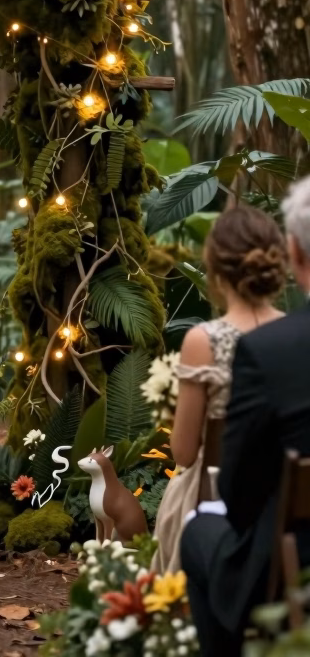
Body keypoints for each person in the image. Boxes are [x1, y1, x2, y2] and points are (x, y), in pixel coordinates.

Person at [182, 176, 310, 656]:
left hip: (295, 560)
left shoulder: (271, 351)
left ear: (295, 253)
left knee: (199, 532)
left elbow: (237, 495)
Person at [152, 206, 288, 573]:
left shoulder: (204, 341)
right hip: (287, 501)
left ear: (215, 270)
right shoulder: (297, 335)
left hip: (219, 499)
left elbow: (183, 453)